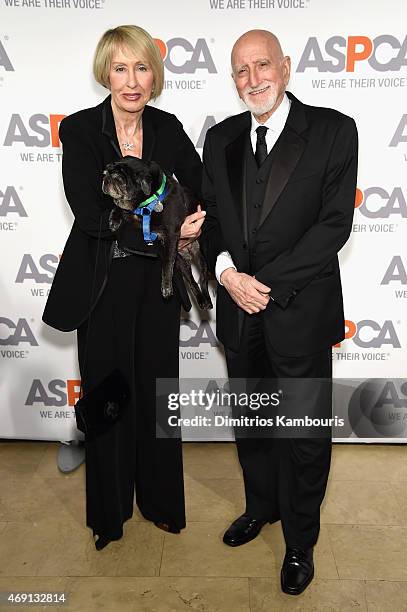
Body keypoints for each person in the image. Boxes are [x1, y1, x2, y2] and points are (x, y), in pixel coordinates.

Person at [200, 30, 358, 595]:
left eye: (262, 65)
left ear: (285, 67)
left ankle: (299, 541)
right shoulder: (218, 140)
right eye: (241, 70)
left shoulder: (335, 130)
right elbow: (212, 220)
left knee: (304, 433)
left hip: (300, 310)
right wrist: (225, 275)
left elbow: (333, 225)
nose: (253, 79)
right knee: (253, 425)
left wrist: (262, 284)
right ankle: (260, 507)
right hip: (239, 310)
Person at [43, 25, 205, 550]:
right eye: (120, 68)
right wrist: (164, 228)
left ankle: (161, 502)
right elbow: (91, 213)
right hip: (104, 282)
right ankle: (108, 515)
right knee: (110, 395)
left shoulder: (168, 127)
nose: (131, 81)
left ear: (153, 76)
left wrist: (192, 220)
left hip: (157, 286)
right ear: (105, 73)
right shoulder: (83, 131)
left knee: (159, 395)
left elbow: (195, 185)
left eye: (141, 68)